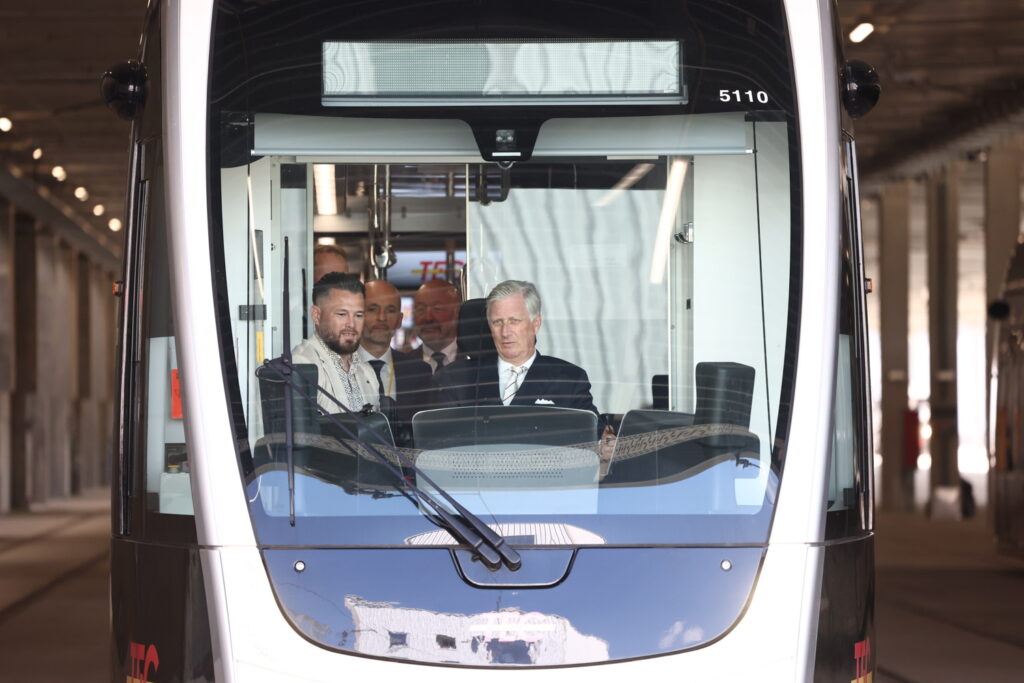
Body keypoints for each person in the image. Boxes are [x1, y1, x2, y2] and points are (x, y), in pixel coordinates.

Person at [436, 280, 603, 423]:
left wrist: (606, 444)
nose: (505, 332)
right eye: (497, 322)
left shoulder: (569, 380)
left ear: (535, 323)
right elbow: (437, 441)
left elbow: (593, 437)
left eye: (514, 321)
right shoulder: (457, 380)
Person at [357, 279, 434, 442]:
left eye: (390, 310)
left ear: (399, 320)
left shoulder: (419, 372)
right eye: (372, 309)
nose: (381, 318)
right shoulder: (338, 366)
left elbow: (425, 436)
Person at [292, 273, 378, 414]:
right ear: (316, 315)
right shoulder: (302, 365)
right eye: (341, 314)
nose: (351, 324)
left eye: (358, 315)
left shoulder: (366, 370)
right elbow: (303, 435)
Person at [412, 279, 464, 373]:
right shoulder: (402, 366)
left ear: (457, 313)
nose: (428, 318)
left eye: (437, 309)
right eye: (421, 309)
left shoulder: (475, 361)